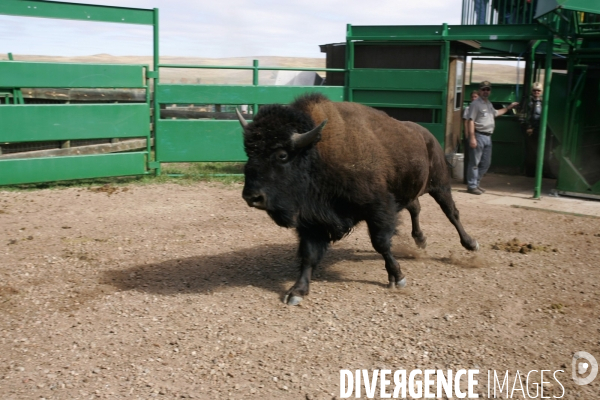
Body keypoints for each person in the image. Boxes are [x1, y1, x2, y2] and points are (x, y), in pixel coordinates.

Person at [465, 81, 519, 195]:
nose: (485, 91)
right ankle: (472, 185)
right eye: (483, 89)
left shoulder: (488, 103)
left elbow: (496, 113)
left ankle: (476, 183)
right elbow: (470, 121)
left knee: (486, 163)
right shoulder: (475, 104)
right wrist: (472, 137)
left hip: (488, 137)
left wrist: (509, 107)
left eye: (487, 89)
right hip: (479, 135)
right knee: (474, 162)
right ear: (479, 91)